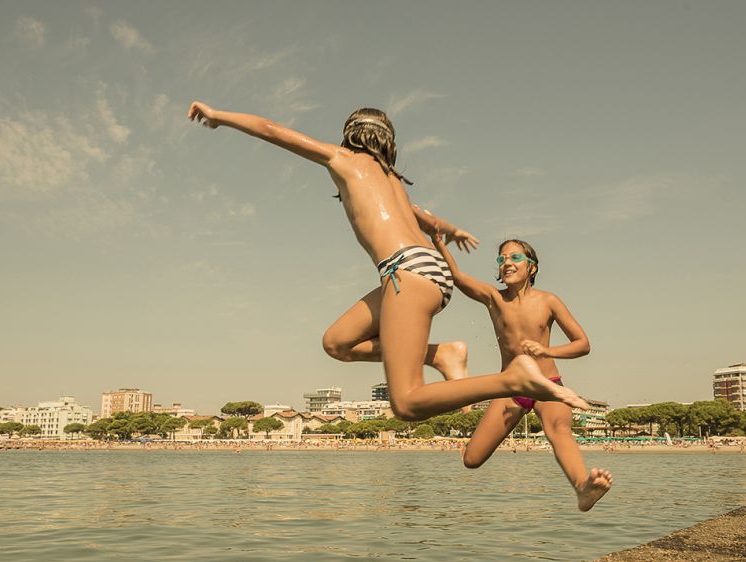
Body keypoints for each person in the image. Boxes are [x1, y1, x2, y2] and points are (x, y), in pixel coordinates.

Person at [187, 102, 587, 420]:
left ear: (350, 137)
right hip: (420, 270)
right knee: (338, 343)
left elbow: (272, 130)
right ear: (387, 143)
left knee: (408, 402)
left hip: (405, 272)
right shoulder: (393, 179)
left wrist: (219, 116)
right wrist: (452, 229)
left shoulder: (343, 159)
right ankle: (441, 354)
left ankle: (510, 379)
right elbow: (424, 217)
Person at [434, 236, 612, 511]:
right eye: (502, 259)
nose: (507, 262)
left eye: (515, 257)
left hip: (548, 385)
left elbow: (582, 344)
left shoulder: (548, 301)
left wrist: (546, 351)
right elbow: (457, 276)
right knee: (472, 460)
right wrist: (438, 241)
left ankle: (582, 488)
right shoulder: (494, 298)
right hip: (511, 389)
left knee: (559, 429)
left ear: (532, 267)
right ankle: (467, 448)